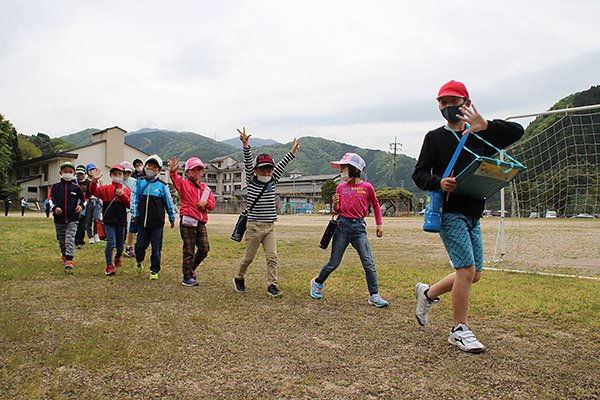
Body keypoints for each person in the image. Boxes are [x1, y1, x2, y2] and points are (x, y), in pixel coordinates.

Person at [411, 80, 524, 353]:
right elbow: (419, 174)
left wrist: (484, 125)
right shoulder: (434, 137)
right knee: (466, 270)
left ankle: (427, 293)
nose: (448, 107)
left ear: (466, 103)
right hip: (449, 213)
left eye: (453, 102)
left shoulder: (480, 135)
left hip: (474, 211)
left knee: (475, 275)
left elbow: (517, 131)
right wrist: (439, 182)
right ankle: (459, 329)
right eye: (442, 103)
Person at [309, 153, 389, 308]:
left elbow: (375, 204)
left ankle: (374, 295)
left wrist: (379, 224)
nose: (342, 171)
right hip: (342, 227)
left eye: (344, 168)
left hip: (359, 228)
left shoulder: (367, 187)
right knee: (334, 262)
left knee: (368, 263)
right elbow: (338, 210)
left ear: (354, 169)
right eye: (341, 169)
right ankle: (317, 283)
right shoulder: (340, 188)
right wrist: (335, 204)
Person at [233, 127, 299, 297]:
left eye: (269, 170)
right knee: (249, 258)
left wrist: (291, 152)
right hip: (254, 226)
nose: (266, 173)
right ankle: (239, 277)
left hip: (270, 227)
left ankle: (272, 285)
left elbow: (283, 164)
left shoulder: (272, 180)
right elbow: (248, 162)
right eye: (262, 170)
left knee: (272, 257)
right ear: (256, 170)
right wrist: (246, 145)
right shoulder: (251, 180)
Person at [169, 156, 216, 286]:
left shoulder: (205, 189)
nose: (197, 173)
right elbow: (175, 179)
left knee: (204, 249)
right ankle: (187, 277)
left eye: (199, 170)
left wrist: (205, 202)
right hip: (188, 221)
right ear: (187, 172)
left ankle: (190, 269)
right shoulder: (184, 185)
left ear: (202, 172)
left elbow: (212, 205)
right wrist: (173, 171)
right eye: (193, 170)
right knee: (189, 250)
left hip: (201, 223)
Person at [130, 154, 176, 280]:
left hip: (157, 224)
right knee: (140, 246)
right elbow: (134, 199)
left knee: (156, 248)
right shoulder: (139, 183)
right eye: (149, 165)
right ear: (145, 167)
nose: (151, 168)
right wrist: (134, 215)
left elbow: (169, 202)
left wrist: (172, 218)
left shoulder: (162, 186)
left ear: (159, 170)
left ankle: (154, 270)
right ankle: (139, 261)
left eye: (155, 167)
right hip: (142, 223)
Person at [89, 165, 131, 276]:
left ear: (123, 176)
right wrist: (94, 181)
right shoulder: (106, 189)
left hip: (121, 221)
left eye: (120, 174)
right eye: (115, 174)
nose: (117, 176)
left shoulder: (126, 190)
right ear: (111, 175)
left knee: (120, 245)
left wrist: (123, 196)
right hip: (108, 221)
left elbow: (129, 204)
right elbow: (93, 191)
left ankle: (117, 257)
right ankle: (109, 265)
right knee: (111, 243)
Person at [49, 162, 85, 272]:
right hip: (59, 218)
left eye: (70, 172)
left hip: (73, 218)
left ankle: (70, 259)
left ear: (74, 174)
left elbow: (84, 200)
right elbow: (50, 199)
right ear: (60, 173)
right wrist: (55, 207)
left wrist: (81, 207)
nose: (67, 174)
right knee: (61, 239)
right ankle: (64, 254)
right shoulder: (55, 187)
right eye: (65, 172)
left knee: (70, 238)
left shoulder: (76, 188)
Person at [121, 161, 137, 257]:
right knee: (122, 227)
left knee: (131, 228)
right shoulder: (117, 181)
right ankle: (120, 244)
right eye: (124, 172)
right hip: (120, 208)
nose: (126, 174)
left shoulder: (134, 182)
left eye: (128, 172)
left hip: (131, 208)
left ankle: (129, 246)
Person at [85, 163, 102, 244]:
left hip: (97, 201)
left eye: (93, 169)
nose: (92, 171)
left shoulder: (100, 180)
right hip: (89, 201)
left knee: (96, 218)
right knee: (88, 220)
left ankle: (96, 234)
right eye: (90, 170)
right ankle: (90, 236)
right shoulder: (86, 181)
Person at [74, 164, 90, 249]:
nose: (80, 176)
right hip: (73, 205)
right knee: (73, 224)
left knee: (82, 225)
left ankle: (80, 242)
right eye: (78, 174)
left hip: (84, 206)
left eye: (81, 174)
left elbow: (90, 195)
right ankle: (74, 240)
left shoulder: (88, 183)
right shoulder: (73, 182)